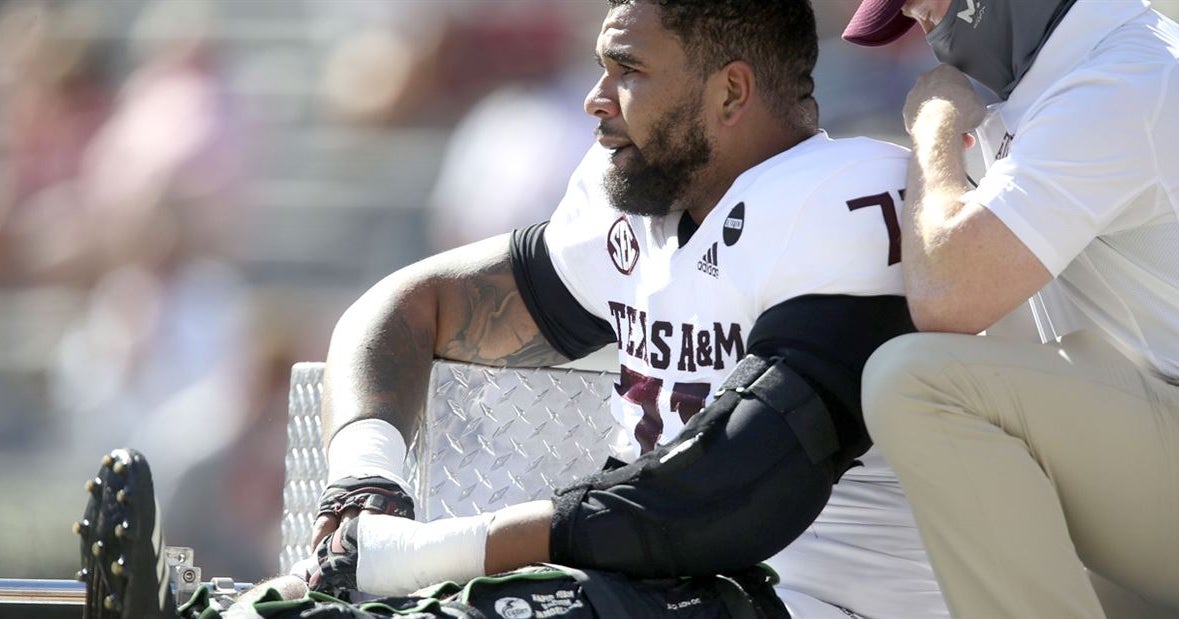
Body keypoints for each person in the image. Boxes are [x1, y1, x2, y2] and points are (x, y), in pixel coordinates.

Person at [79, 1, 948, 617]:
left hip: (813, 597)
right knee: (417, 606)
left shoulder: (849, 197)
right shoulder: (637, 204)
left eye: (628, 70)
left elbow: (724, 496)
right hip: (653, 582)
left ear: (729, 93)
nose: (594, 99)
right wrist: (368, 479)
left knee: (469, 604)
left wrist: (425, 551)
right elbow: (406, 306)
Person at [841, 0, 1179, 617]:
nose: (923, 25)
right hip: (1151, 433)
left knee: (916, 381)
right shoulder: (1068, 75)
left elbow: (948, 296)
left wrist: (934, 125)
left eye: (924, 2)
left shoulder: (1124, 75)